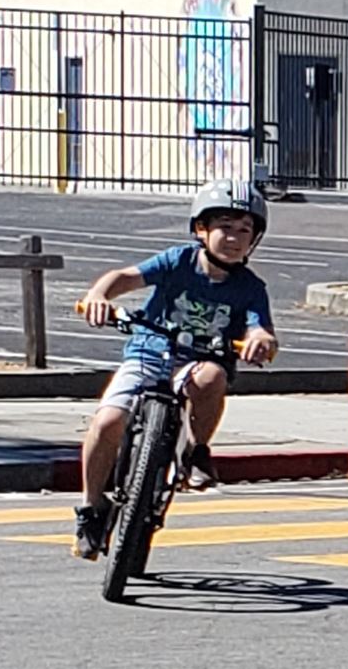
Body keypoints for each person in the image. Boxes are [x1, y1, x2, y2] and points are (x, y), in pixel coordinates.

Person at [71, 180, 281, 559]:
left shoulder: (251, 287)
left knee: (213, 377)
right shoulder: (177, 261)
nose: (234, 239)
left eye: (245, 230)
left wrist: (260, 340)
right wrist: (100, 295)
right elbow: (124, 277)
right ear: (201, 229)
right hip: (148, 355)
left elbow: (260, 329)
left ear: (255, 239)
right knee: (106, 423)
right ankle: (90, 509)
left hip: (200, 361)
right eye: (224, 228)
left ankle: (196, 451)